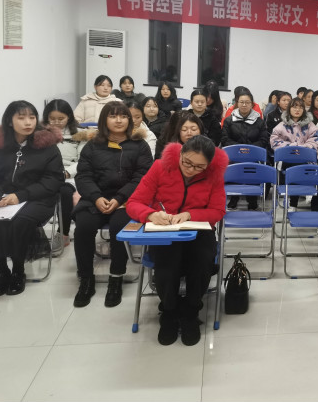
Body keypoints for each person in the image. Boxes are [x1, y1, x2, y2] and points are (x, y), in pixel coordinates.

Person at [127, 135, 229, 346]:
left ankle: (192, 310)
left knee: (202, 260)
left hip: (198, 229)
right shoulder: (160, 167)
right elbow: (134, 203)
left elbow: (218, 211)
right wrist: (150, 214)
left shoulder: (214, 175)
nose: (191, 170)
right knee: (167, 261)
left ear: (209, 165)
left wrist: (191, 214)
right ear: (180, 154)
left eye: (199, 167)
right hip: (165, 229)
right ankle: (169, 310)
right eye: (187, 163)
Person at [72, 101, 153, 308]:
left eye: (123, 116)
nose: (119, 120)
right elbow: (83, 176)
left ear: (129, 120)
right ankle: (86, 279)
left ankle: (116, 277)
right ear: (104, 120)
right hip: (95, 199)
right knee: (83, 227)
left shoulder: (140, 145)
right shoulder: (92, 145)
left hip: (127, 200)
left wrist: (119, 198)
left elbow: (142, 177)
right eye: (113, 116)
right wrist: (96, 197)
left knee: (119, 228)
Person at [0, 101, 64, 295]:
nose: (28, 122)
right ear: (10, 121)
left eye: (32, 117)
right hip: (4, 199)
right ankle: (2, 272)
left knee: (20, 221)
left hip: (38, 198)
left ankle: (18, 271)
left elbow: (53, 180)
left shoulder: (48, 147)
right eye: (21, 118)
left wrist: (21, 196)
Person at [43, 99, 89, 249]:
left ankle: (63, 233)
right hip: (46, 175)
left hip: (70, 175)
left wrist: (67, 173)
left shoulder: (81, 134)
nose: (56, 122)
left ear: (69, 117)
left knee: (65, 192)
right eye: (52, 119)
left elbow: (84, 160)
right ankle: (35, 233)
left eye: (61, 118)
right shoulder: (40, 134)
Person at [270, 97, 318, 209]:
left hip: (305, 159)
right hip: (287, 159)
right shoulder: (281, 125)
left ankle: (294, 203)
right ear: (289, 109)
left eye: (300, 107)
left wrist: (301, 148)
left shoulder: (311, 125)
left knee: (300, 168)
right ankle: (290, 201)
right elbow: (274, 141)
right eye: (294, 107)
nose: (297, 110)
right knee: (291, 168)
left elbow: (315, 141)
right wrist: (291, 147)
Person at [222, 90, 269, 210]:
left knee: (252, 167)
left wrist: (249, 150)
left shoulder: (259, 121)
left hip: (253, 156)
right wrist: (239, 150)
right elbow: (225, 139)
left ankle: (252, 199)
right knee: (233, 167)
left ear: (252, 104)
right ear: (237, 103)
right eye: (241, 102)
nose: (244, 105)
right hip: (234, 156)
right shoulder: (229, 120)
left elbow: (264, 140)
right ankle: (234, 197)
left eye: (247, 102)